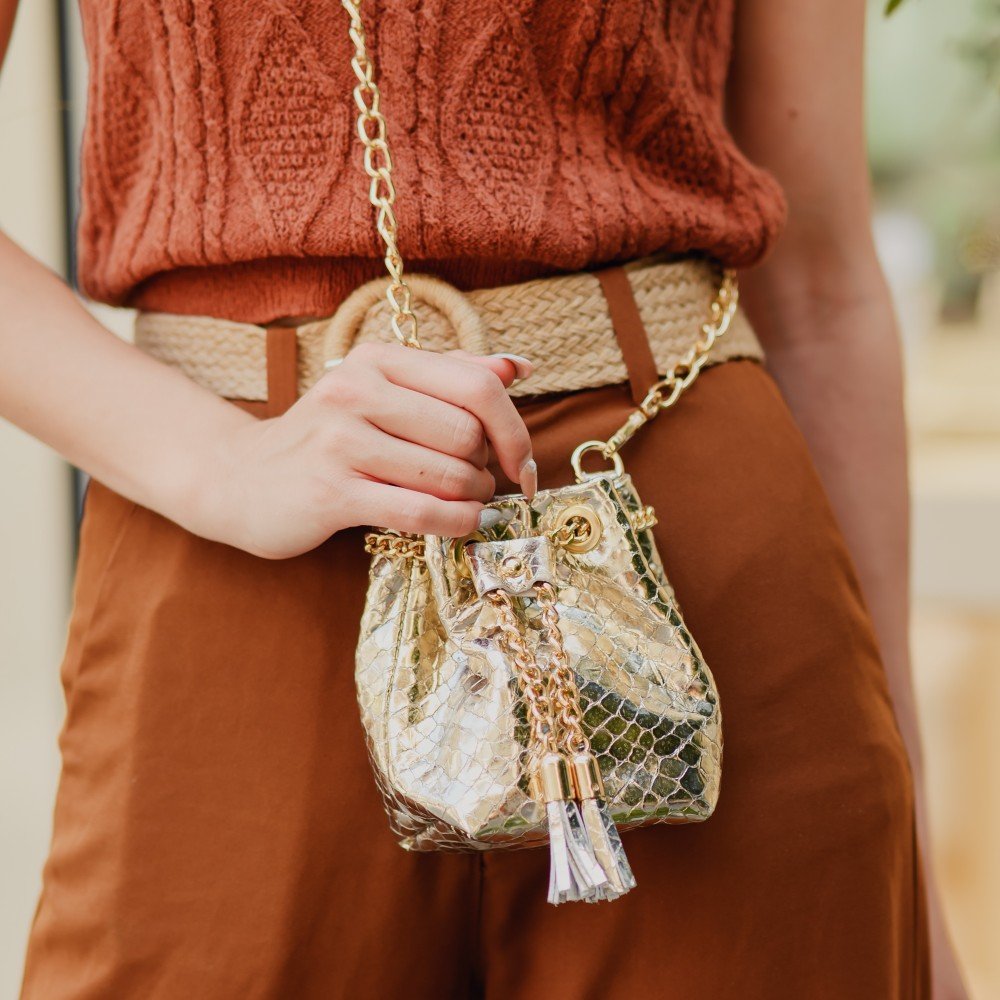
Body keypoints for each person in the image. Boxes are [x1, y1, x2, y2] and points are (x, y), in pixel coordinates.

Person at [0, 0, 966, 996]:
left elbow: (819, 284)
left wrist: (908, 815)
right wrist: (218, 462)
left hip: (686, 546)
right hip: (240, 565)